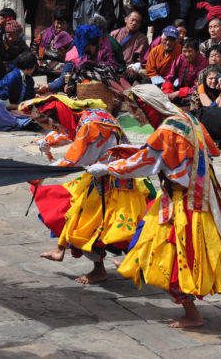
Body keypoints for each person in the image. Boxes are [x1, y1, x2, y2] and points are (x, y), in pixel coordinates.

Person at [88, 84, 221, 328]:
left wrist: (108, 167)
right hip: (202, 194)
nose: (136, 116)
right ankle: (137, 261)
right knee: (154, 239)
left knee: (171, 257)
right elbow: (204, 152)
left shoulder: (167, 130)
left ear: (149, 107)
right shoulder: (187, 118)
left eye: (137, 110)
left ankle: (192, 314)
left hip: (183, 203)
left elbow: (145, 162)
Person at [30, 95, 151, 283]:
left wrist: (42, 173)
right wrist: (48, 141)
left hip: (113, 182)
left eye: (53, 122)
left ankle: (132, 263)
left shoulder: (89, 126)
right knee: (74, 212)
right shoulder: (90, 115)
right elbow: (69, 132)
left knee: (92, 225)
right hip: (105, 175)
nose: (54, 126)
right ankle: (62, 249)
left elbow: (75, 160)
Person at [64, 25, 120, 98]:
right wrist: (69, 87)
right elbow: (76, 78)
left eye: (86, 46)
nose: (85, 49)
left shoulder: (105, 54)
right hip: (85, 95)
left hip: (103, 94)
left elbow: (114, 69)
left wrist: (95, 65)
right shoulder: (81, 61)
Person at [0, 51, 37, 130]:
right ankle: (19, 123)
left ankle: (4, 122)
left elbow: (29, 100)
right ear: (31, 67)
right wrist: (18, 107)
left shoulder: (30, 80)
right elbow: (3, 99)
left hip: (19, 112)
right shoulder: (12, 76)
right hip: (5, 110)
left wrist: (23, 109)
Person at [163, 38, 208, 107]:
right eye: (184, 51)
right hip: (181, 88)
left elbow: (197, 86)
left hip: (194, 92)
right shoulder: (181, 57)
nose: (187, 54)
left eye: (190, 51)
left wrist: (179, 93)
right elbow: (170, 75)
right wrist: (167, 91)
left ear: (197, 51)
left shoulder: (203, 64)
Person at [110, 11, 149, 81]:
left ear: (140, 25)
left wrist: (132, 68)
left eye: (138, 22)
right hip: (112, 65)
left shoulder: (142, 39)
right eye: (132, 20)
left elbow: (141, 60)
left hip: (129, 67)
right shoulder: (114, 34)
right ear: (126, 20)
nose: (134, 23)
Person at [30, 8, 72, 76]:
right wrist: (37, 59)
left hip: (62, 66)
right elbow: (34, 46)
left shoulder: (72, 37)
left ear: (68, 24)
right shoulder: (45, 33)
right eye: (57, 22)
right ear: (54, 22)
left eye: (63, 23)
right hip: (44, 65)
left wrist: (63, 54)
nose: (59, 26)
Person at [190, 46, 221, 110]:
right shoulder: (203, 73)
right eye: (211, 56)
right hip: (205, 102)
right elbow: (197, 91)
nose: (214, 59)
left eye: (217, 56)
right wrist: (194, 109)